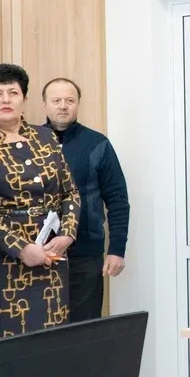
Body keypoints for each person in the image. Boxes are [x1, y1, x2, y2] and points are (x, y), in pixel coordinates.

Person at [0, 63, 81, 372]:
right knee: (2, 348)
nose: (6, 99)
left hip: (50, 257)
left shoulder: (46, 138)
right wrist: (21, 248)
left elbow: (70, 192)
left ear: (24, 99)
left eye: (13, 92)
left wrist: (67, 233)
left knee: (48, 345)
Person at [42, 77, 131, 322]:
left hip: (85, 255)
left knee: (84, 327)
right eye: (56, 100)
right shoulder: (29, 144)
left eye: (69, 100)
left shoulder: (97, 144)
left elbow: (117, 200)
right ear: (44, 104)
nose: (63, 106)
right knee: (41, 330)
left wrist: (116, 250)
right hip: (38, 253)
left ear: (78, 104)